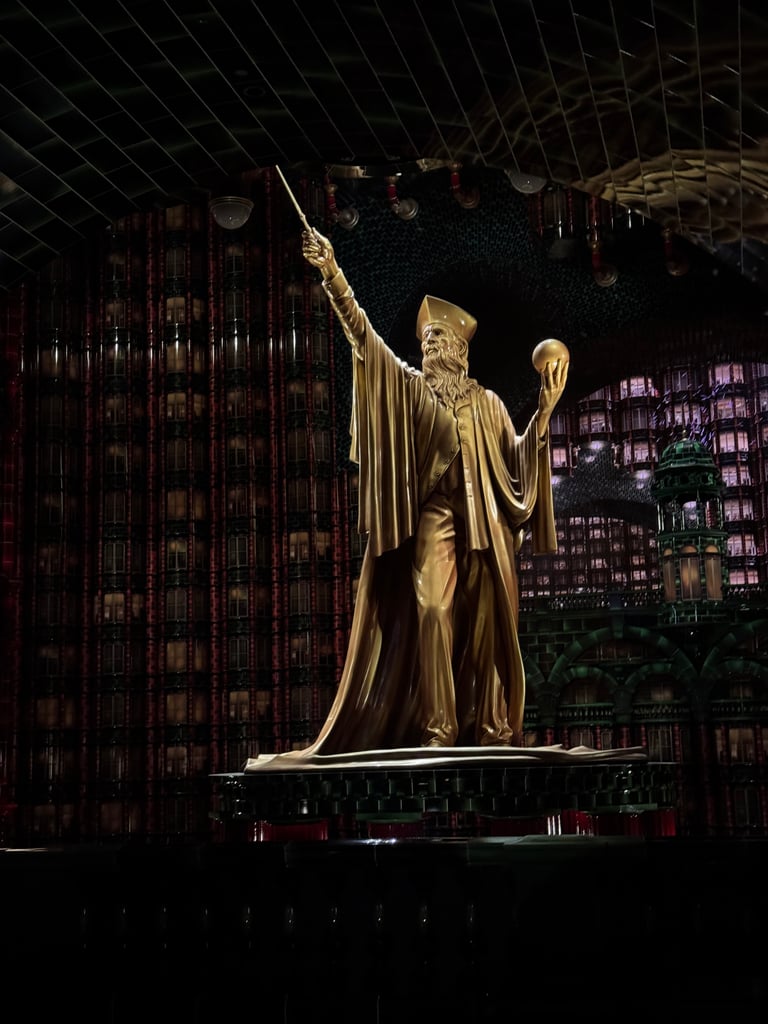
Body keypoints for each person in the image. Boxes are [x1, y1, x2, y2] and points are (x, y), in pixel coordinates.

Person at [295, 226, 568, 753]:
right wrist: (332, 273)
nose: (429, 347)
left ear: (460, 350)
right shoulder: (414, 391)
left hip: (486, 525)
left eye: (438, 340)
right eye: (425, 342)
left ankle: (493, 728)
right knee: (433, 612)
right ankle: (438, 727)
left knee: (490, 626)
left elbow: (515, 461)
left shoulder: (487, 402)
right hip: (434, 516)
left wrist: (543, 412)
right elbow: (364, 339)